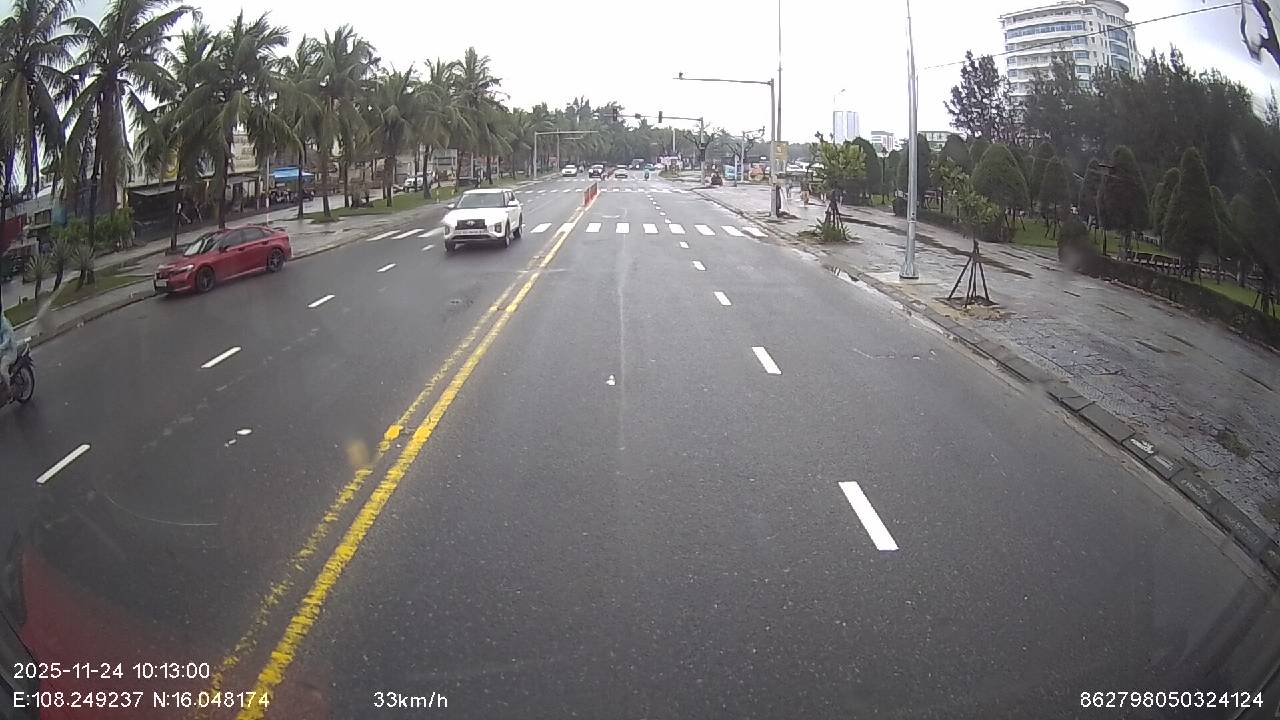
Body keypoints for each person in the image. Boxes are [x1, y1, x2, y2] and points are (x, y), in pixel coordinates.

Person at [0, 311, 16, 402]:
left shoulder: (4, 325)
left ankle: (9, 390)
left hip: (9, 351)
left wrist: (0, 347)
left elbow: (7, 341)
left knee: (2, 370)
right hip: (2, 352)